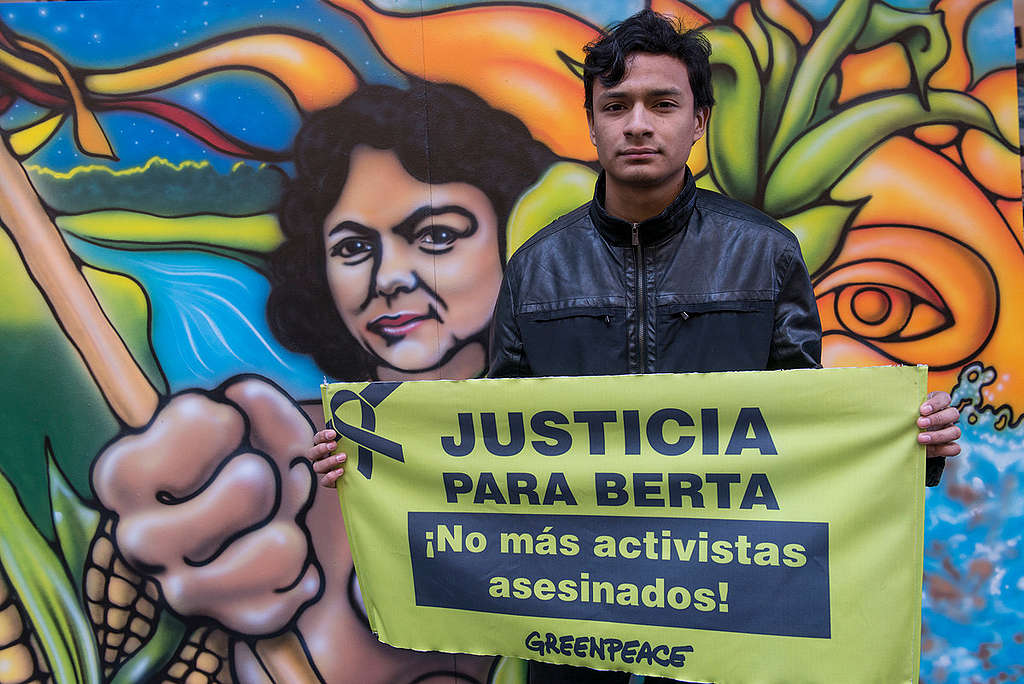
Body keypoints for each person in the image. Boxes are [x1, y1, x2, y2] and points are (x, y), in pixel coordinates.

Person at [309, 9, 961, 682]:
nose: (639, 124)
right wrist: (376, 460)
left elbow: (809, 443)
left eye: (662, 103)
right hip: (577, 628)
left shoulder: (764, 255)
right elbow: (491, 444)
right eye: (616, 105)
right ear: (591, 123)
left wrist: (913, 446)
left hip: (727, 623)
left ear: (698, 120)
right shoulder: (536, 267)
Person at [268, 79, 555, 381]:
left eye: (437, 236)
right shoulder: (296, 423)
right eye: (352, 248)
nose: (388, 279)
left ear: (511, 236)